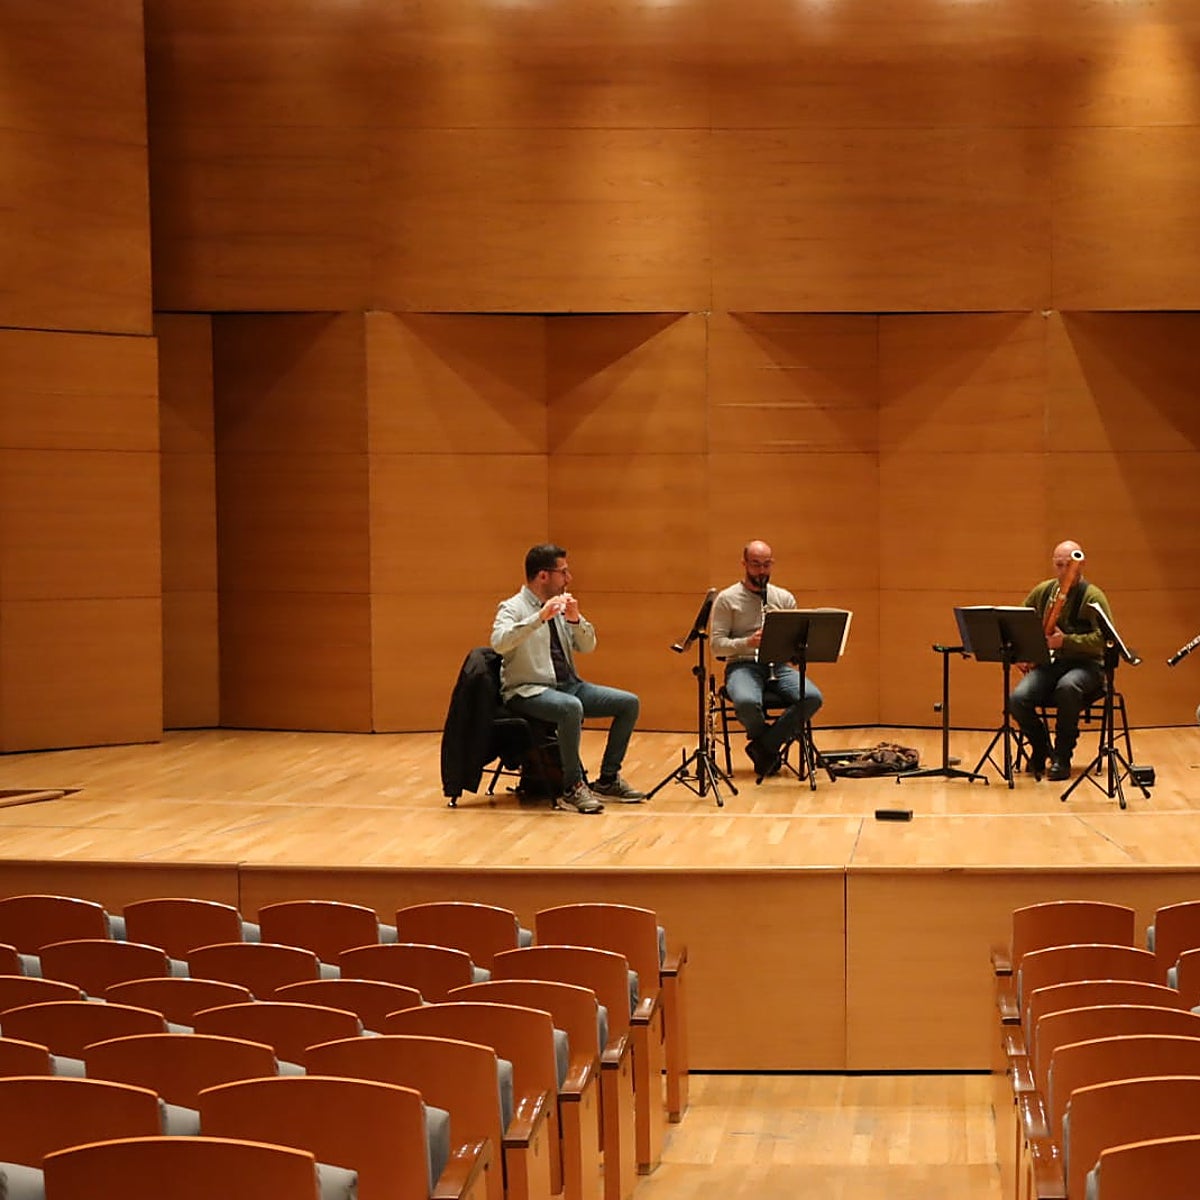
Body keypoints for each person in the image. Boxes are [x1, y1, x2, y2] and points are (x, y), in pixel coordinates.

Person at [491, 543, 645, 814]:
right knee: (570, 708)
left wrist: (575, 621)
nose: (568, 578)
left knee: (628, 703)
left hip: (569, 686)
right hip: (528, 690)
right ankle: (572, 786)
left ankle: (608, 779)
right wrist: (539, 618)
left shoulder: (560, 605)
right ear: (543, 576)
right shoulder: (512, 607)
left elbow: (587, 646)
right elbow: (499, 643)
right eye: (563, 572)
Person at [709, 539, 824, 778]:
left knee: (812, 697)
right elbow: (716, 646)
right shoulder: (727, 599)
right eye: (755, 565)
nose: (761, 571)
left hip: (777, 665)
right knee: (747, 702)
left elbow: (795, 642)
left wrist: (793, 647)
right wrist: (747, 642)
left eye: (766, 565)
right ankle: (768, 747)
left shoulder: (783, 598)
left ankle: (764, 747)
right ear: (744, 564)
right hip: (742, 665)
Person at [1008, 539, 1112, 782]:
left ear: (1081, 564)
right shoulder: (1044, 592)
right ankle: (1042, 746)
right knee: (1018, 699)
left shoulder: (1093, 596)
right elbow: (1020, 622)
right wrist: (1022, 652)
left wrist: (1066, 641)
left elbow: (1104, 640)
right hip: (1051, 665)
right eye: (1059, 565)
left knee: (1067, 687)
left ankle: (1062, 758)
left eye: (1069, 565)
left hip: (1088, 667)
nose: (1065, 570)